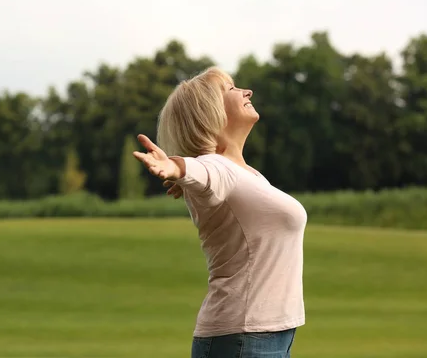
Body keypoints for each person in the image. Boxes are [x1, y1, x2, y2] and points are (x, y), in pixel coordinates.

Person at [132, 67, 307, 358]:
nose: (246, 91)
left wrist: (185, 179)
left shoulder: (247, 175)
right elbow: (201, 169)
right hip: (244, 340)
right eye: (231, 89)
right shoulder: (217, 167)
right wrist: (176, 167)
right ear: (208, 113)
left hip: (265, 337)